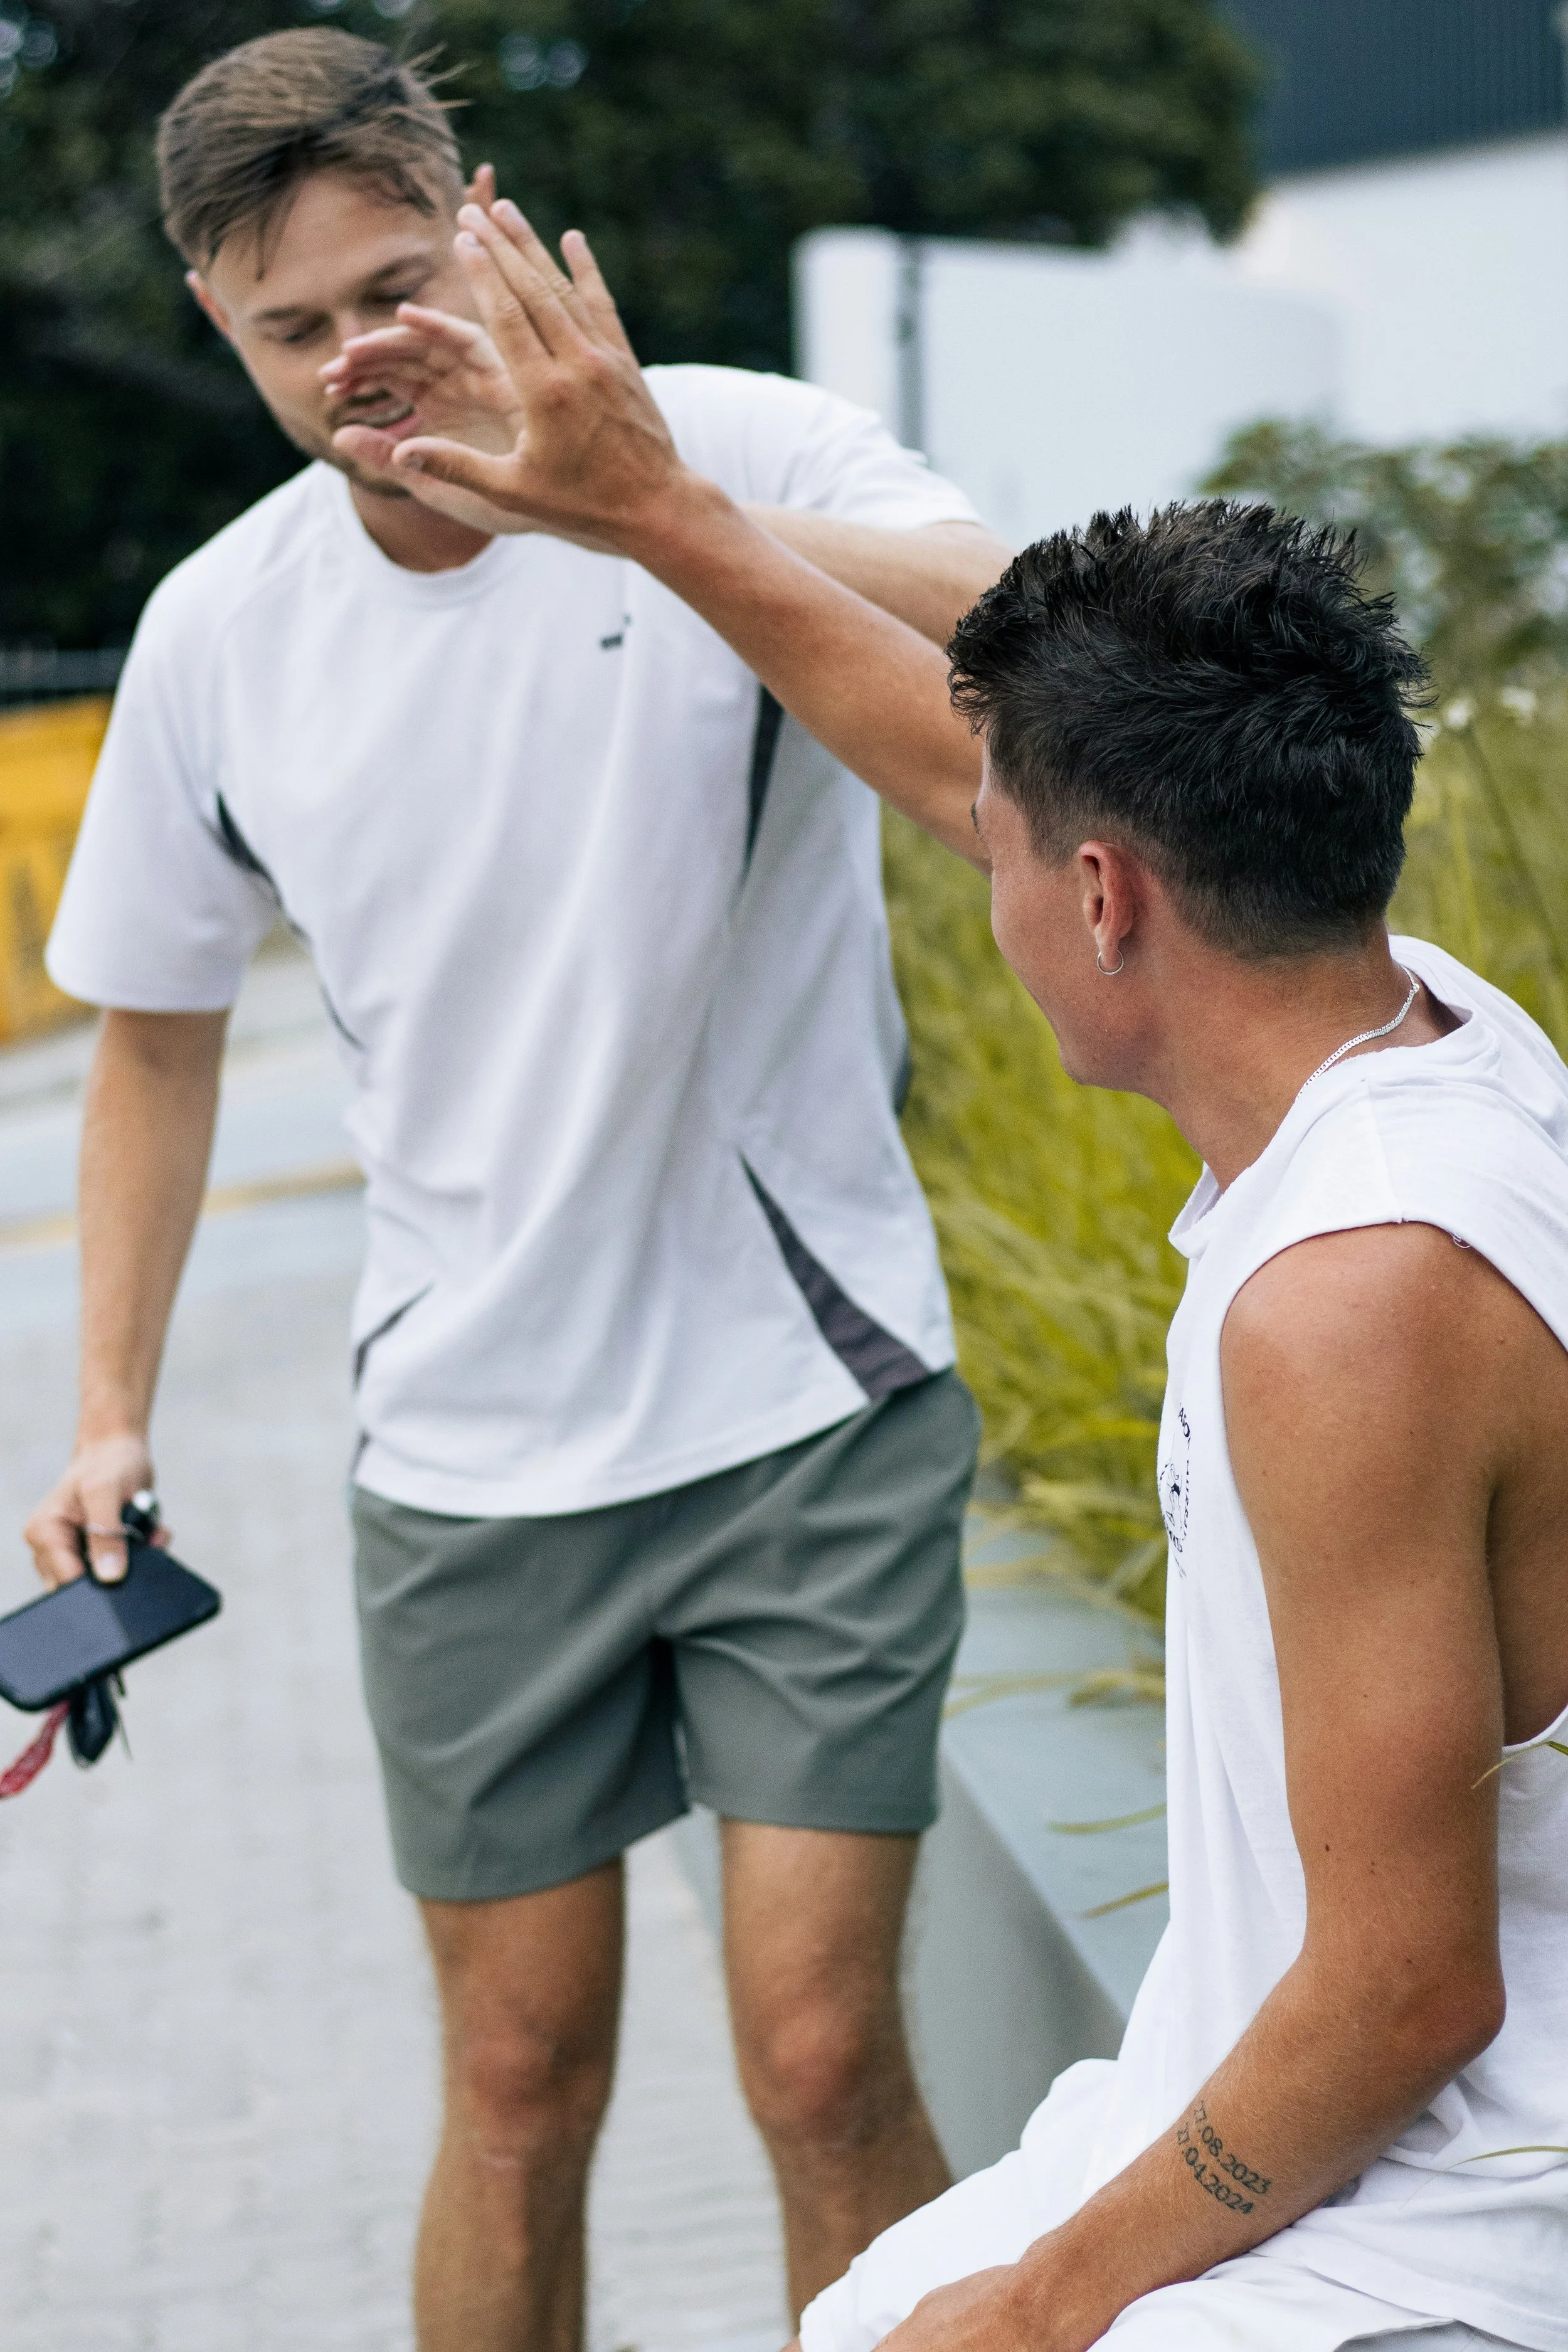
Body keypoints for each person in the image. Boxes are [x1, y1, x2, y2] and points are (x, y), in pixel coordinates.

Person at [372, 198, 1568, 2352]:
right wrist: (656, 514)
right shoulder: (1423, 1024)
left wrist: (1042, 2304)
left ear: (1099, 893)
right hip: (1350, 2112)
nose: (967, 853)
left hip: (1473, 2205)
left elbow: (1408, 1985)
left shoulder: (1348, 1292)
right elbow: (955, 752)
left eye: (996, 838)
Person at [24, 29, 1017, 2352]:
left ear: (481, 215)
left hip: (810, 1398)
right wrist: (100, 1412)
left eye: (397, 281)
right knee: (514, 2072)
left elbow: (1013, 607)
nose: (362, 354)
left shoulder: (732, 445)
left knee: (810, 2047)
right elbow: (154, 1048)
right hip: (467, 1453)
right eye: (293, 328)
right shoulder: (219, 633)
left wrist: (654, 506)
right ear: (214, 321)